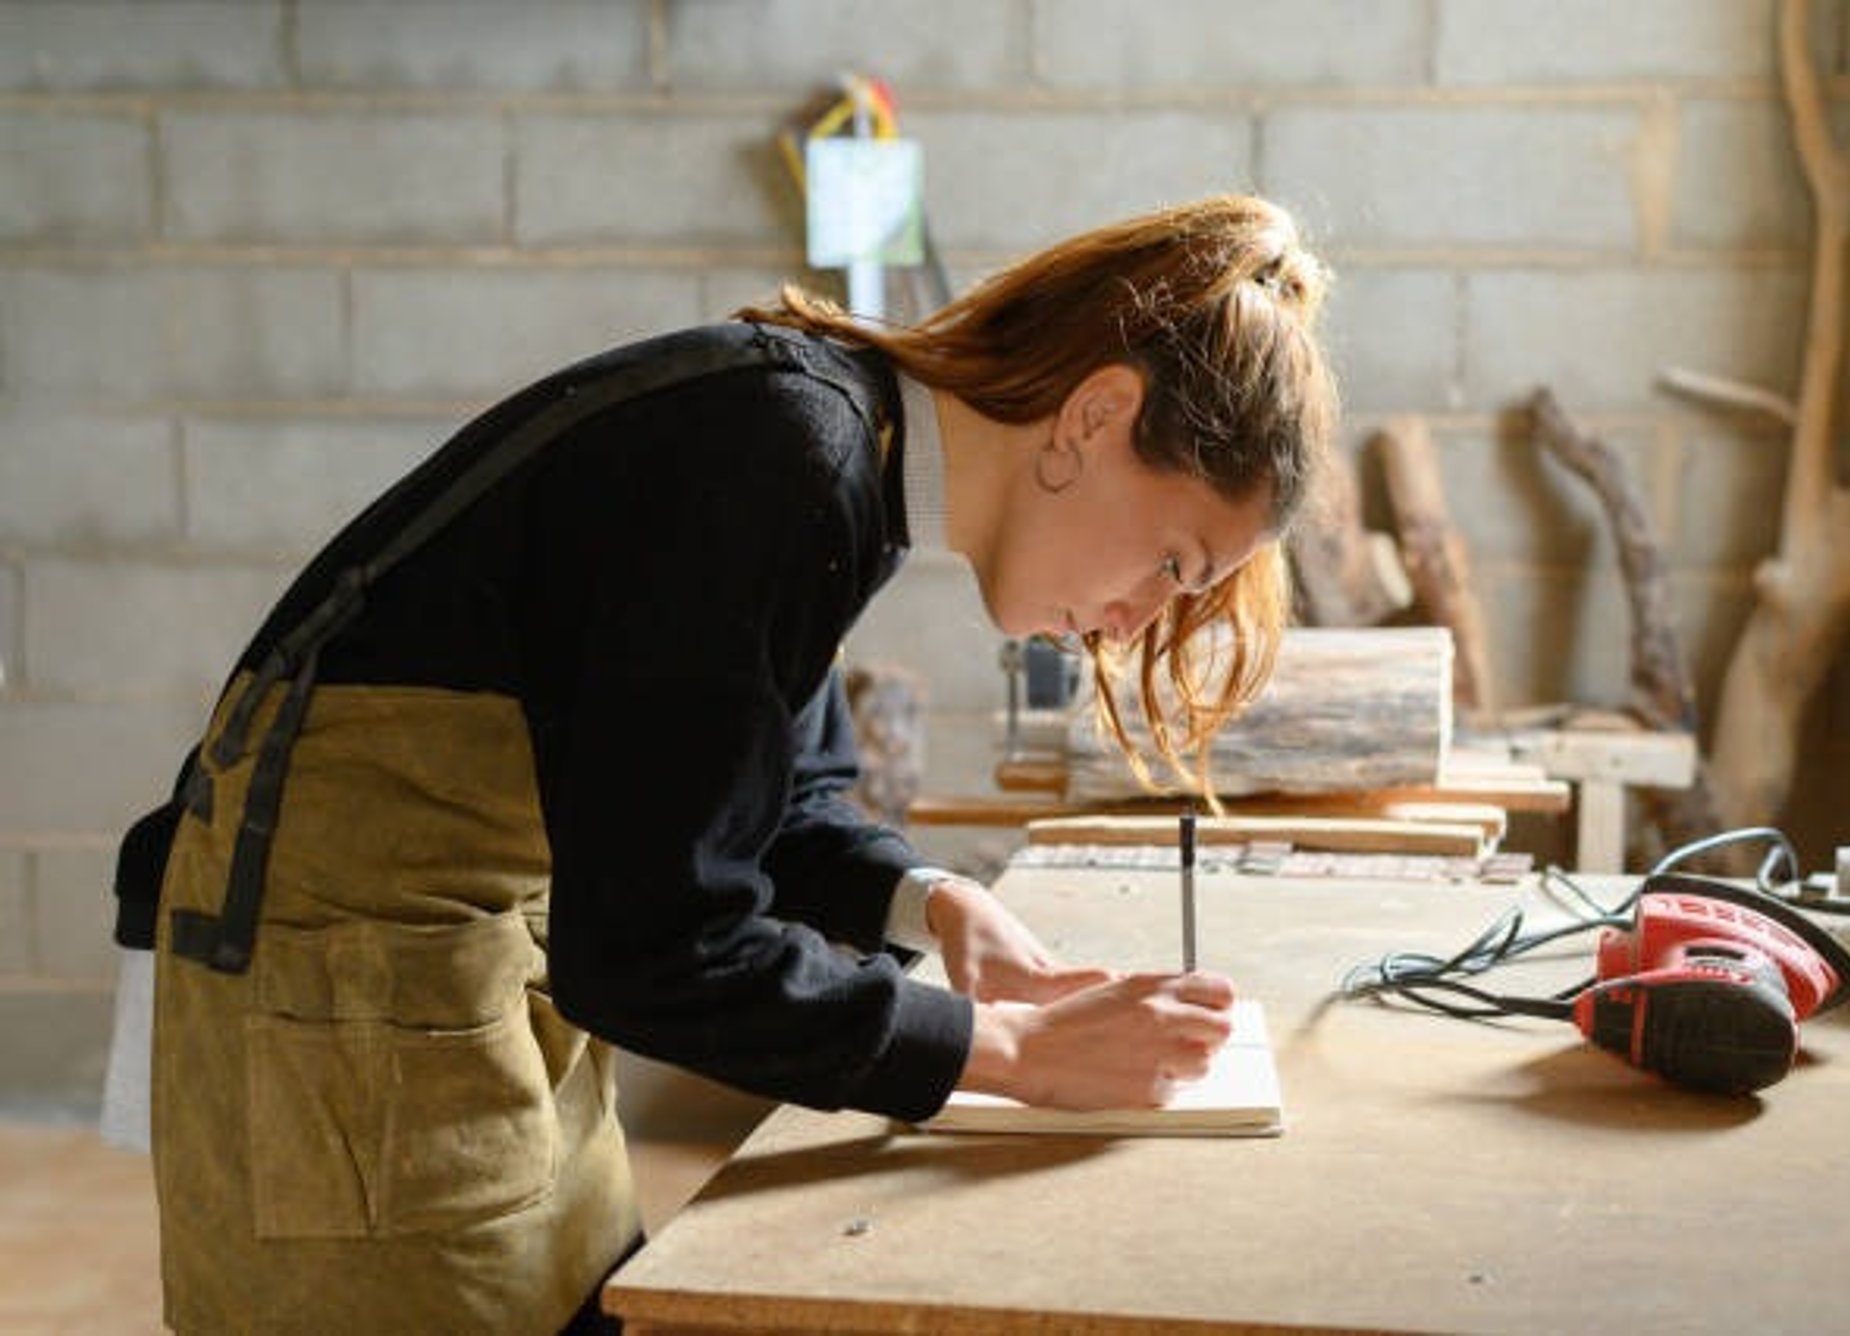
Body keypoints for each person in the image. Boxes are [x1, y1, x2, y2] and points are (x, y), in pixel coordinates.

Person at [111, 193, 1336, 1333]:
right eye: (1172, 562)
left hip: (457, 981)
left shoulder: (836, 453)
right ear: (1096, 416)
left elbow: (758, 799)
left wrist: (940, 908)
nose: (1132, 618)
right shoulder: (783, 460)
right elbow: (658, 944)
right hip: (337, 1002)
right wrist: (1005, 1054)